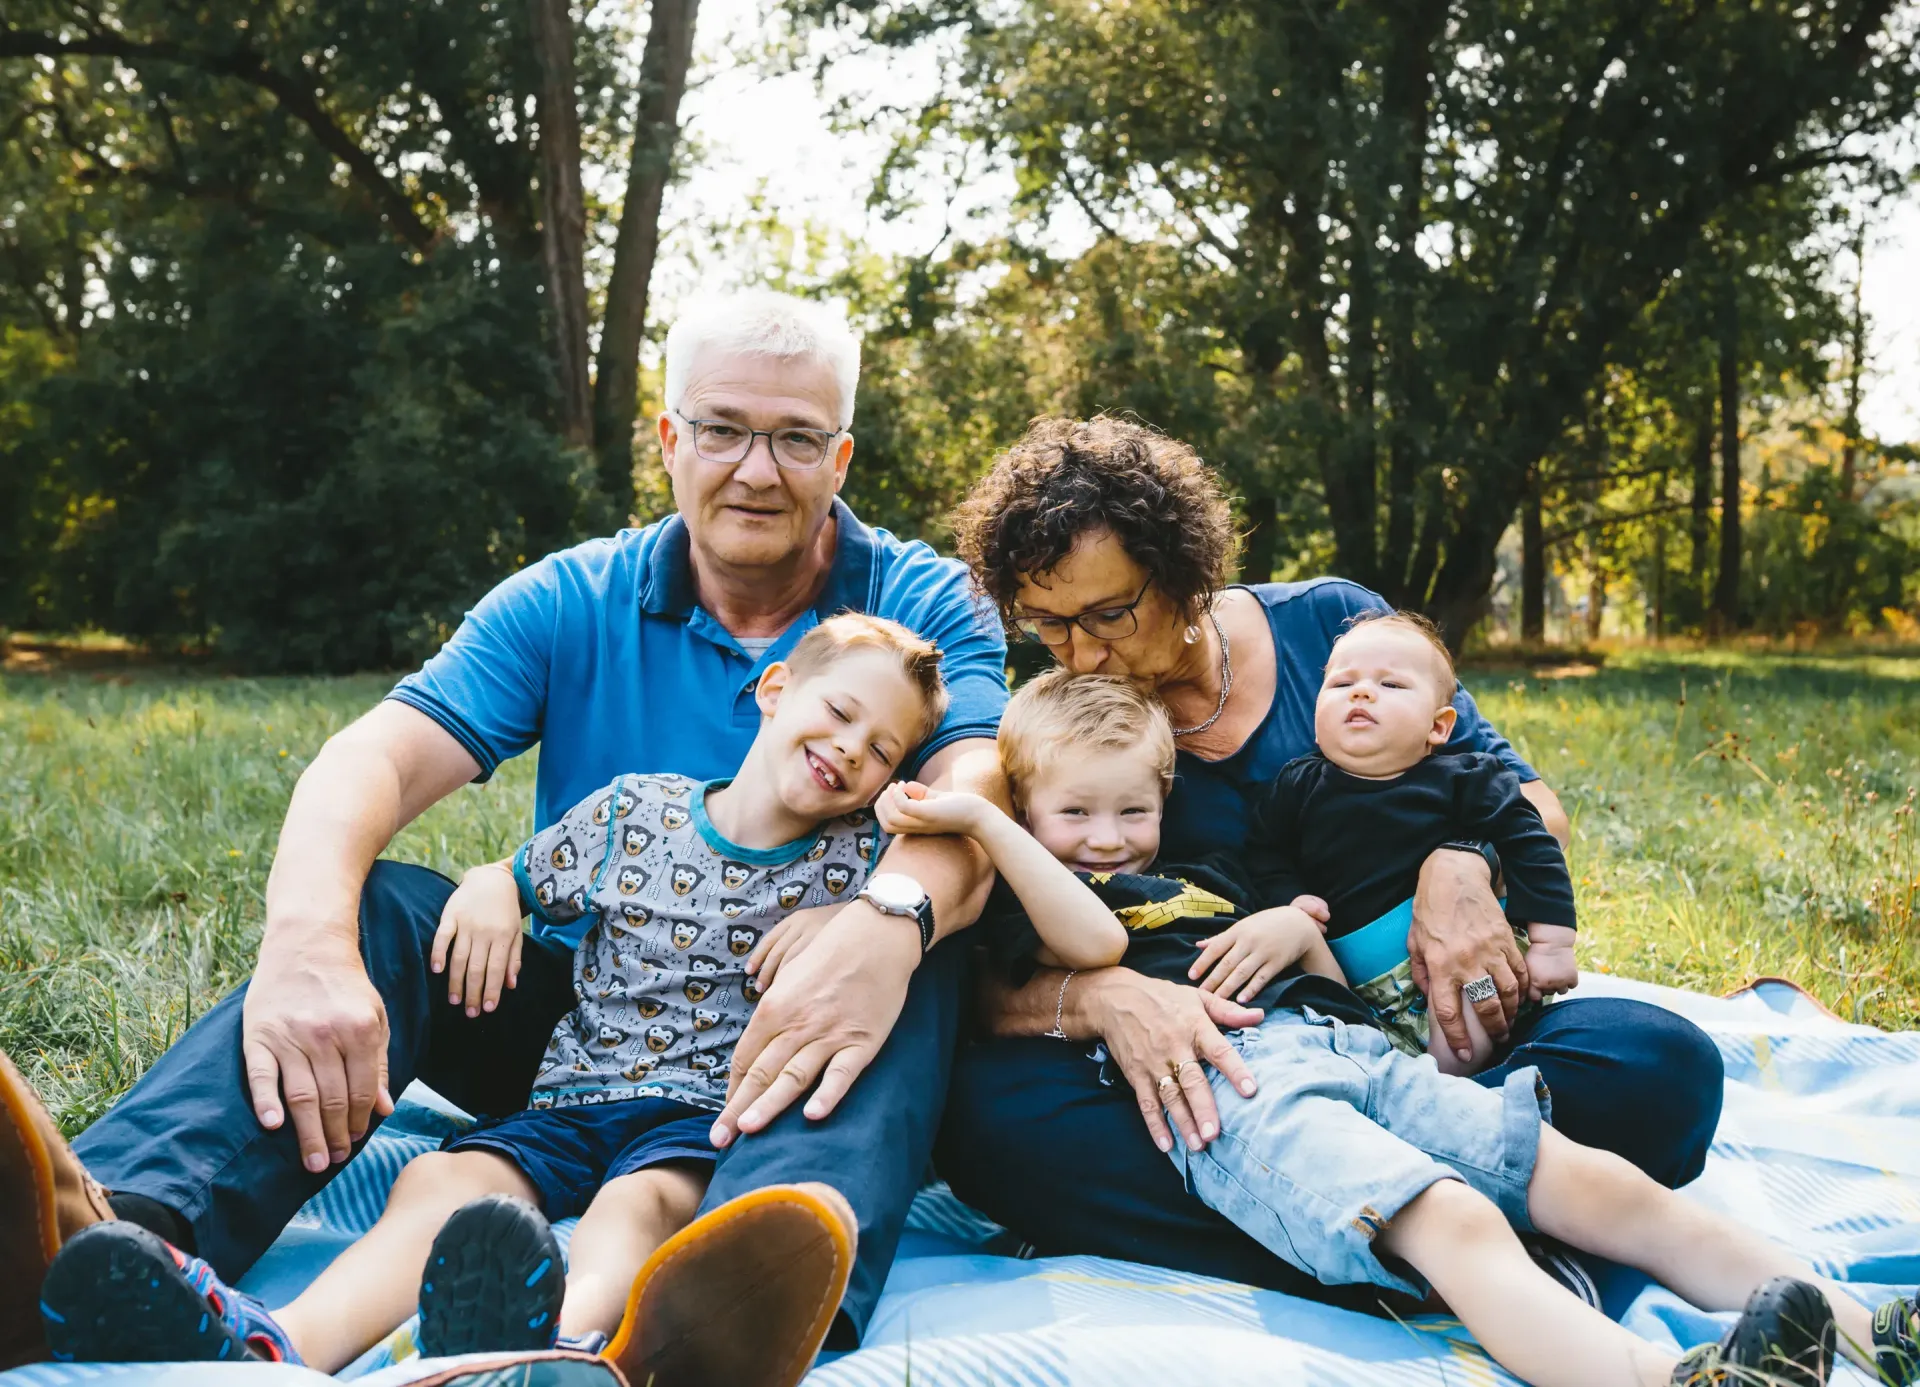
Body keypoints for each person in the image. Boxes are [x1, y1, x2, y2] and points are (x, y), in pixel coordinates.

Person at [0, 290, 1011, 1380]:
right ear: (670, 439)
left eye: (796, 438)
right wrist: (305, 948)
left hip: (774, 1045)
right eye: (722, 428)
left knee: (916, 944)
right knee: (378, 907)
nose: (756, 469)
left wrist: (884, 919)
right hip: (588, 1026)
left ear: (840, 457)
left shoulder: (917, 609)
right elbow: (370, 760)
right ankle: (97, 1249)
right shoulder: (574, 595)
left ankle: (730, 1316)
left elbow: (977, 787)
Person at [881, 669, 1920, 1387]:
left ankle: (1857, 1321)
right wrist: (992, 827)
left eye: (1130, 813)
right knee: (1454, 1220)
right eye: (1074, 815)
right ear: (1029, 813)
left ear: (1163, 800)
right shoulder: (1032, 891)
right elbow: (1093, 940)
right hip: (1237, 1099)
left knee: (1591, 1181)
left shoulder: (1200, 872)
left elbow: (1321, 976)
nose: (1106, 840)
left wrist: (1295, 930)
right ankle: (1655, 1375)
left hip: (1342, 1051)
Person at [37, 614, 948, 1383]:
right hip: (571, 1092)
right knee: (443, 1180)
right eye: (839, 713)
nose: (849, 752)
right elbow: (523, 876)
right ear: (777, 689)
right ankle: (279, 1347)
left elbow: (928, 894)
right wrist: (490, 885)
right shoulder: (638, 810)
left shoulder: (854, 862)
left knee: (634, 1210)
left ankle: (566, 1353)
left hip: (698, 1117)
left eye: (881, 750)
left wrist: (855, 917)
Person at [936, 414, 1726, 1295]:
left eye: (1109, 613)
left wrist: (1459, 863)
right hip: (1247, 1079)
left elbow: (1528, 802)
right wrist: (1101, 996)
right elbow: (988, 972)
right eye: (1049, 625)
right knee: (987, 1120)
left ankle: (1387, 1236)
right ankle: (1464, 1242)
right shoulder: (1063, 730)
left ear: (1184, 571)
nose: (1082, 651)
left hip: (1439, 1039)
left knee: (1663, 1067)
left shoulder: (1336, 628)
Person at [1228, 609, 1579, 1074]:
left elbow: (1530, 840)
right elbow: (1264, 854)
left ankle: (1452, 1080)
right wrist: (1290, 899)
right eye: (1340, 684)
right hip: (1349, 981)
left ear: (1438, 726)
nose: (1361, 691)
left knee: (1465, 1010)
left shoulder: (1466, 779)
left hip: (1451, 961)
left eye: (1390, 685)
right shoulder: (1297, 787)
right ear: (1316, 719)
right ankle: (1379, 1078)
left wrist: (1552, 943)